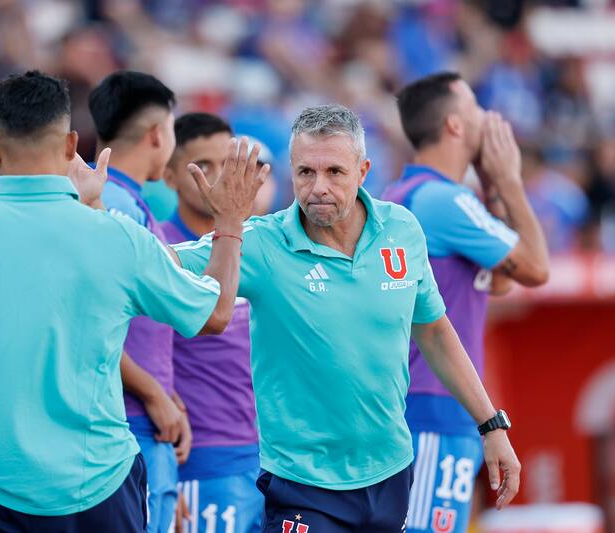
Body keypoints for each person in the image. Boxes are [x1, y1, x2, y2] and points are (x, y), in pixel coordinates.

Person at [0, 70, 266, 533]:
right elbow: (215, 314)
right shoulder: (115, 235)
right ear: (72, 145)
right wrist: (230, 222)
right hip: (101, 488)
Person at [171, 104, 521, 532]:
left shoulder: (402, 230)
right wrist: (94, 216)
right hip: (303, 485)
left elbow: (434, 332)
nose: (318, 187)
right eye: (305, 173)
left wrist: (491, 426)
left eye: (334, 172)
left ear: (363, 170)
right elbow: (161, 260)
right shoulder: (262, 243)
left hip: (391, 475)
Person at [383, 72, 549, 533]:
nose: (490, 120)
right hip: (436, 403)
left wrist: (492, 193)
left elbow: (497, 283)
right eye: (477, 108)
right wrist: (511, 182)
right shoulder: (445, 200)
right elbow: (535, 268)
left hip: (415, 401)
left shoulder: (404, 194)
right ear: (455, 125)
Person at [88, 69, 186, 533]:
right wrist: (153, 394)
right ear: (157, 132)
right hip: (126, 422)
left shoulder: (119, 198)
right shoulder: (114, 206)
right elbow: (89, 320)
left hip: (135, 418)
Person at [162, 113, 266, 533]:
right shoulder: (161, 250)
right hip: (202, 461)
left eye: (225, 163)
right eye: (201, 166)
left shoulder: (260, 243)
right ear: (169, 176)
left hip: (271, 461)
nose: (217, 177)